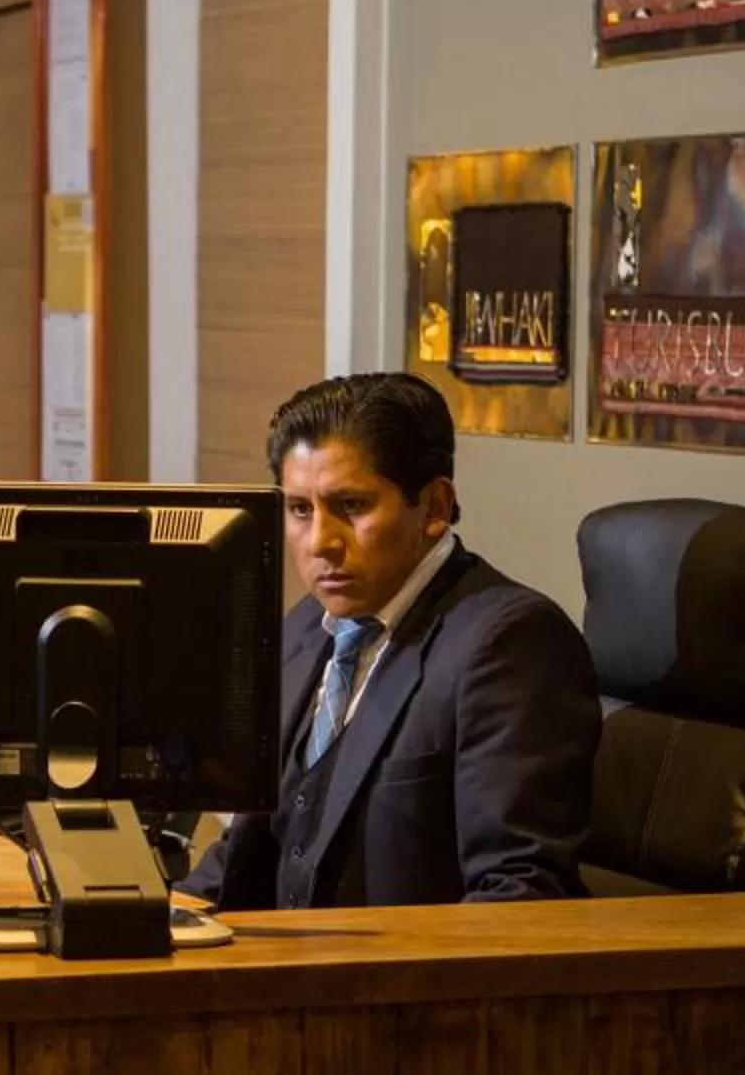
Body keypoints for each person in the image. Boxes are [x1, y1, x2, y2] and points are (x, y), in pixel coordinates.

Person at [183, 372, 599, 909]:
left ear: (434, 508)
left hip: (395, 983)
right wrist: (164, 920)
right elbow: (257, 847)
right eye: (300, 510)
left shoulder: (510, 643)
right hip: (277, 976)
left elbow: (520, 893)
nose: (321, 543)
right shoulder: (308, 624)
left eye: (351, 506)